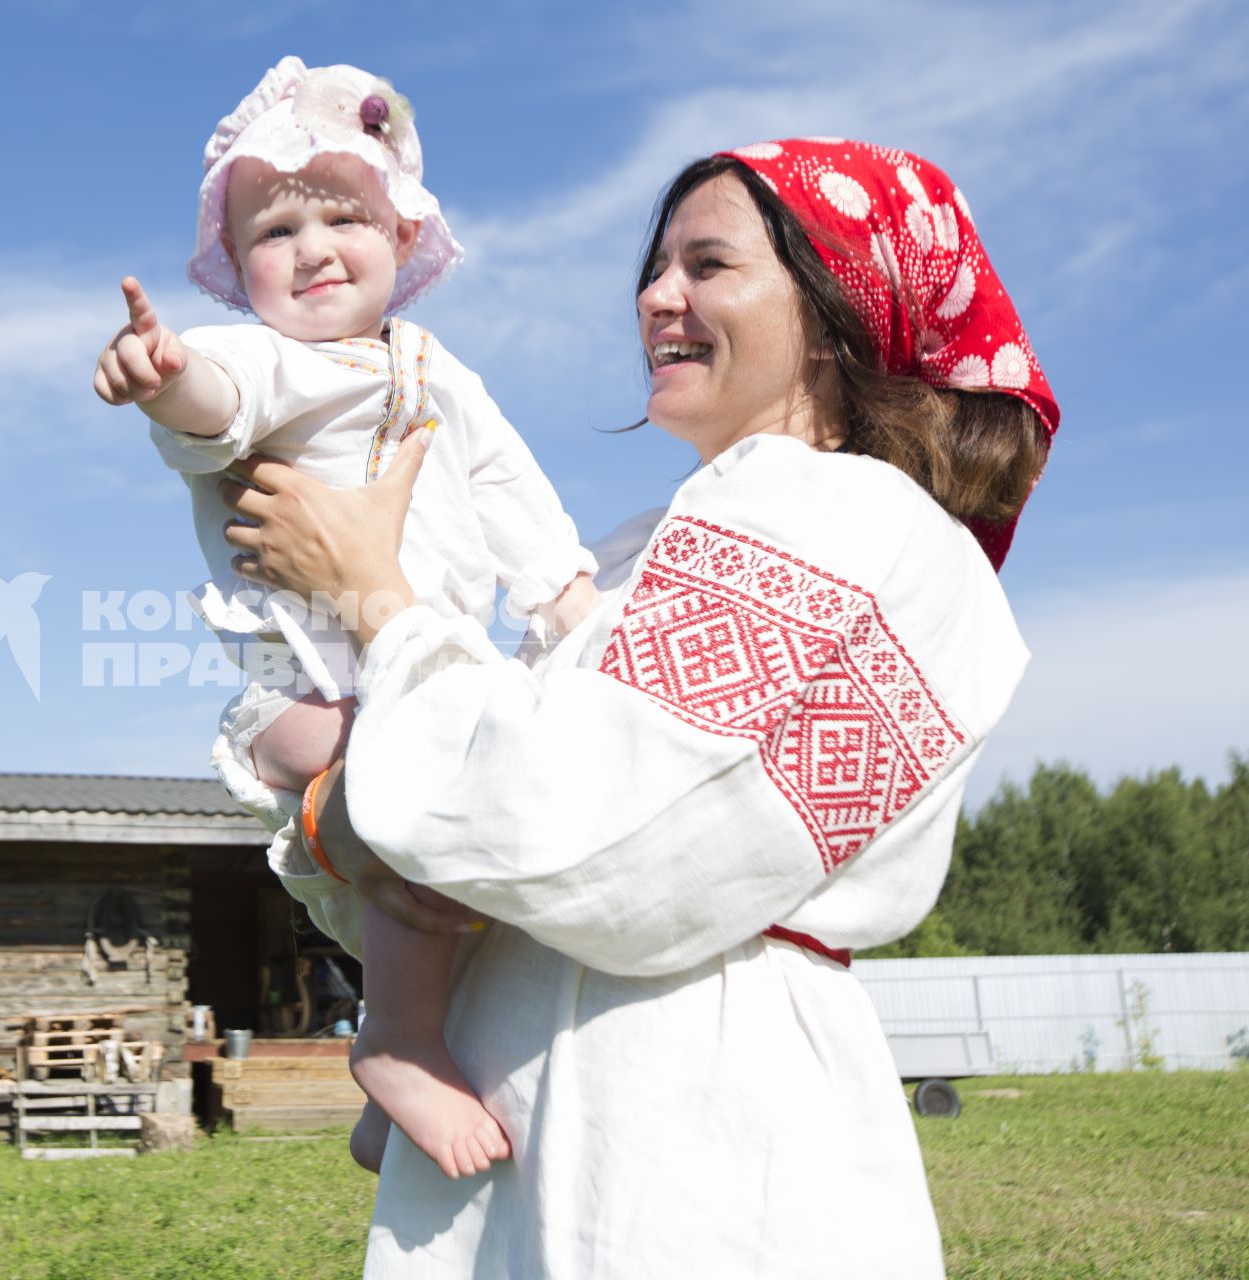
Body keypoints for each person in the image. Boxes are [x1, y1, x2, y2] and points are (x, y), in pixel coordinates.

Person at [217, 137, 1059, 1276]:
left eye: (708, 263)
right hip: (533, 1111)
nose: (656, 295)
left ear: (832, 313)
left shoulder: (866, 523)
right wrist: (345, 792)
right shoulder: (628, 558)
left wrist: (376, 595)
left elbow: (584, 842)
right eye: (655, 266)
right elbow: (446, 847)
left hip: (683, 1130)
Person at [92, 56, 599, 1180]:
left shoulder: (440, 373)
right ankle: (399, 1042)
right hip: (317, 689)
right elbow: (214, 409)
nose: (313, 245)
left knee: (474, 851)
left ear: (404, 235)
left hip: (424, 663)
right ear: (240, 269)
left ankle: (410, 1064)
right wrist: (164, 371)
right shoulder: (271, 359)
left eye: (344, 215)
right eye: (276, 230)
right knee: (425, 807)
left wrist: (561, 593)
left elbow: (512, 488)